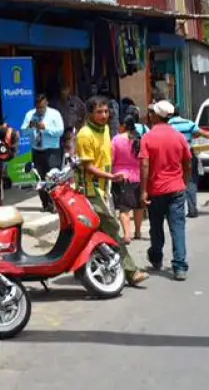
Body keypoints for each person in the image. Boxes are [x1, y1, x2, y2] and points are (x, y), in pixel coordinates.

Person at [74, 97, 148, 286]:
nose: (104, 115)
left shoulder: (106, 130)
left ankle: (84, 269)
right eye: (99, 112)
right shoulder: (85, 134)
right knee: (113, 228)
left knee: (97, 232)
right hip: (91, 190)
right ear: (90, 113)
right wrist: (112, 177)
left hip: (105, 189)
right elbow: (89, 167)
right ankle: (131, 271)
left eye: (106, 112)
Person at [140, 100, 192, 280]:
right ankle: (179, 266)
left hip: (156, 190)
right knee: (177, 227)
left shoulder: (147, 138)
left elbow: (145, 165)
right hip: (177, 189)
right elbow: (188, 163)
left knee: (156, 227)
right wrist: (183, 182)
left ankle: (156, 257)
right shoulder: (179, 137)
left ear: (155, 115)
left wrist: (143, 190)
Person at [164, 102, 209, 218]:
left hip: (171, 157)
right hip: (188, 155)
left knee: (172, 181)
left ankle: (173, 210)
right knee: (190, 182)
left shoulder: (166, 126)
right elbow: (203, 133)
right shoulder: (188, 124)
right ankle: (192, 209)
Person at [22, 93, 66, 213]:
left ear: (46, 103)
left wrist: (45, 129)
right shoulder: (30, 115)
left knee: (52, 178)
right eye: (38, 107)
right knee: (39, 179)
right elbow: (23, 131)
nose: (40, 110)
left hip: (52, 150)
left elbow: (60, 131)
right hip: (37, 150)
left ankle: (55, 203)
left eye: (42, 107)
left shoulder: (54, 114)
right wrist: (30, 127)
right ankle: (45, 204)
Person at [111, 114, 144, 243]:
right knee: (138, 207)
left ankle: (126, 235)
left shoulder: (116, 139)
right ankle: (138, 231)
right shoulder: (139, 139)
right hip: (137, 176)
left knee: (124, 208)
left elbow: (112, 158)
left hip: (120, 177)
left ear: (123, 126)